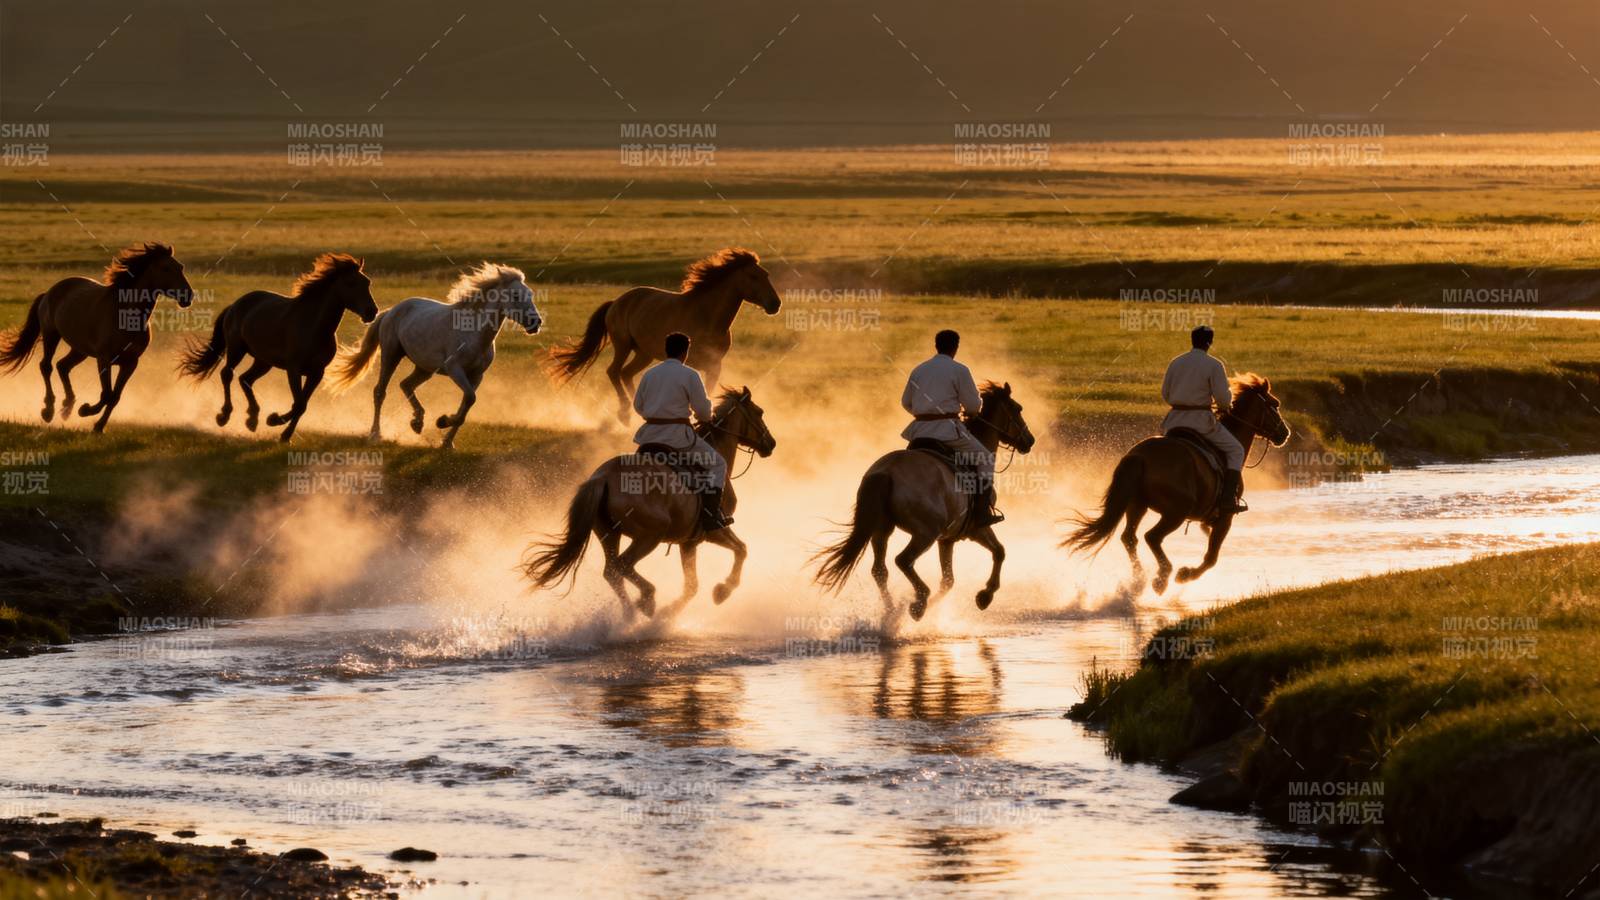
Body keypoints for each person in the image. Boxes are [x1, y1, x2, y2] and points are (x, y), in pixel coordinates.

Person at [901, 329, 1002, 527]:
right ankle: (982, 512)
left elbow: (906, 402)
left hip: (918, 432)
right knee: (985, 458)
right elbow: (973, 405)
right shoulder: (960, 370)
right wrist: (970, 412)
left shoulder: (919, 369)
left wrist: (924, 413)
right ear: (956, 348)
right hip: (947, 431)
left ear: (936, 346)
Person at [632, 332, 731, 531]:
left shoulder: (649, 374)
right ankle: (710, 516)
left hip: (648, 436)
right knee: (718, 464)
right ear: (685, 352)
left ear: (666, 350)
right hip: (678, 438)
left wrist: (656, 414)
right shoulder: (690, 374)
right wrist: (705, 417)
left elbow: (638, 406)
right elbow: (703, 411)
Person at [1161, 324, 1246, 513]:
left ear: (1192, 340)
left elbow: (1165, 393)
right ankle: (1227, 500)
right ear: (1210, 342)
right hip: (1201, 422)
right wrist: (1224, 406)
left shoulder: (1176, 362)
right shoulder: (1214, 364)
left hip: (1174, 421)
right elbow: (1223, 399)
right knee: (1236, 450)